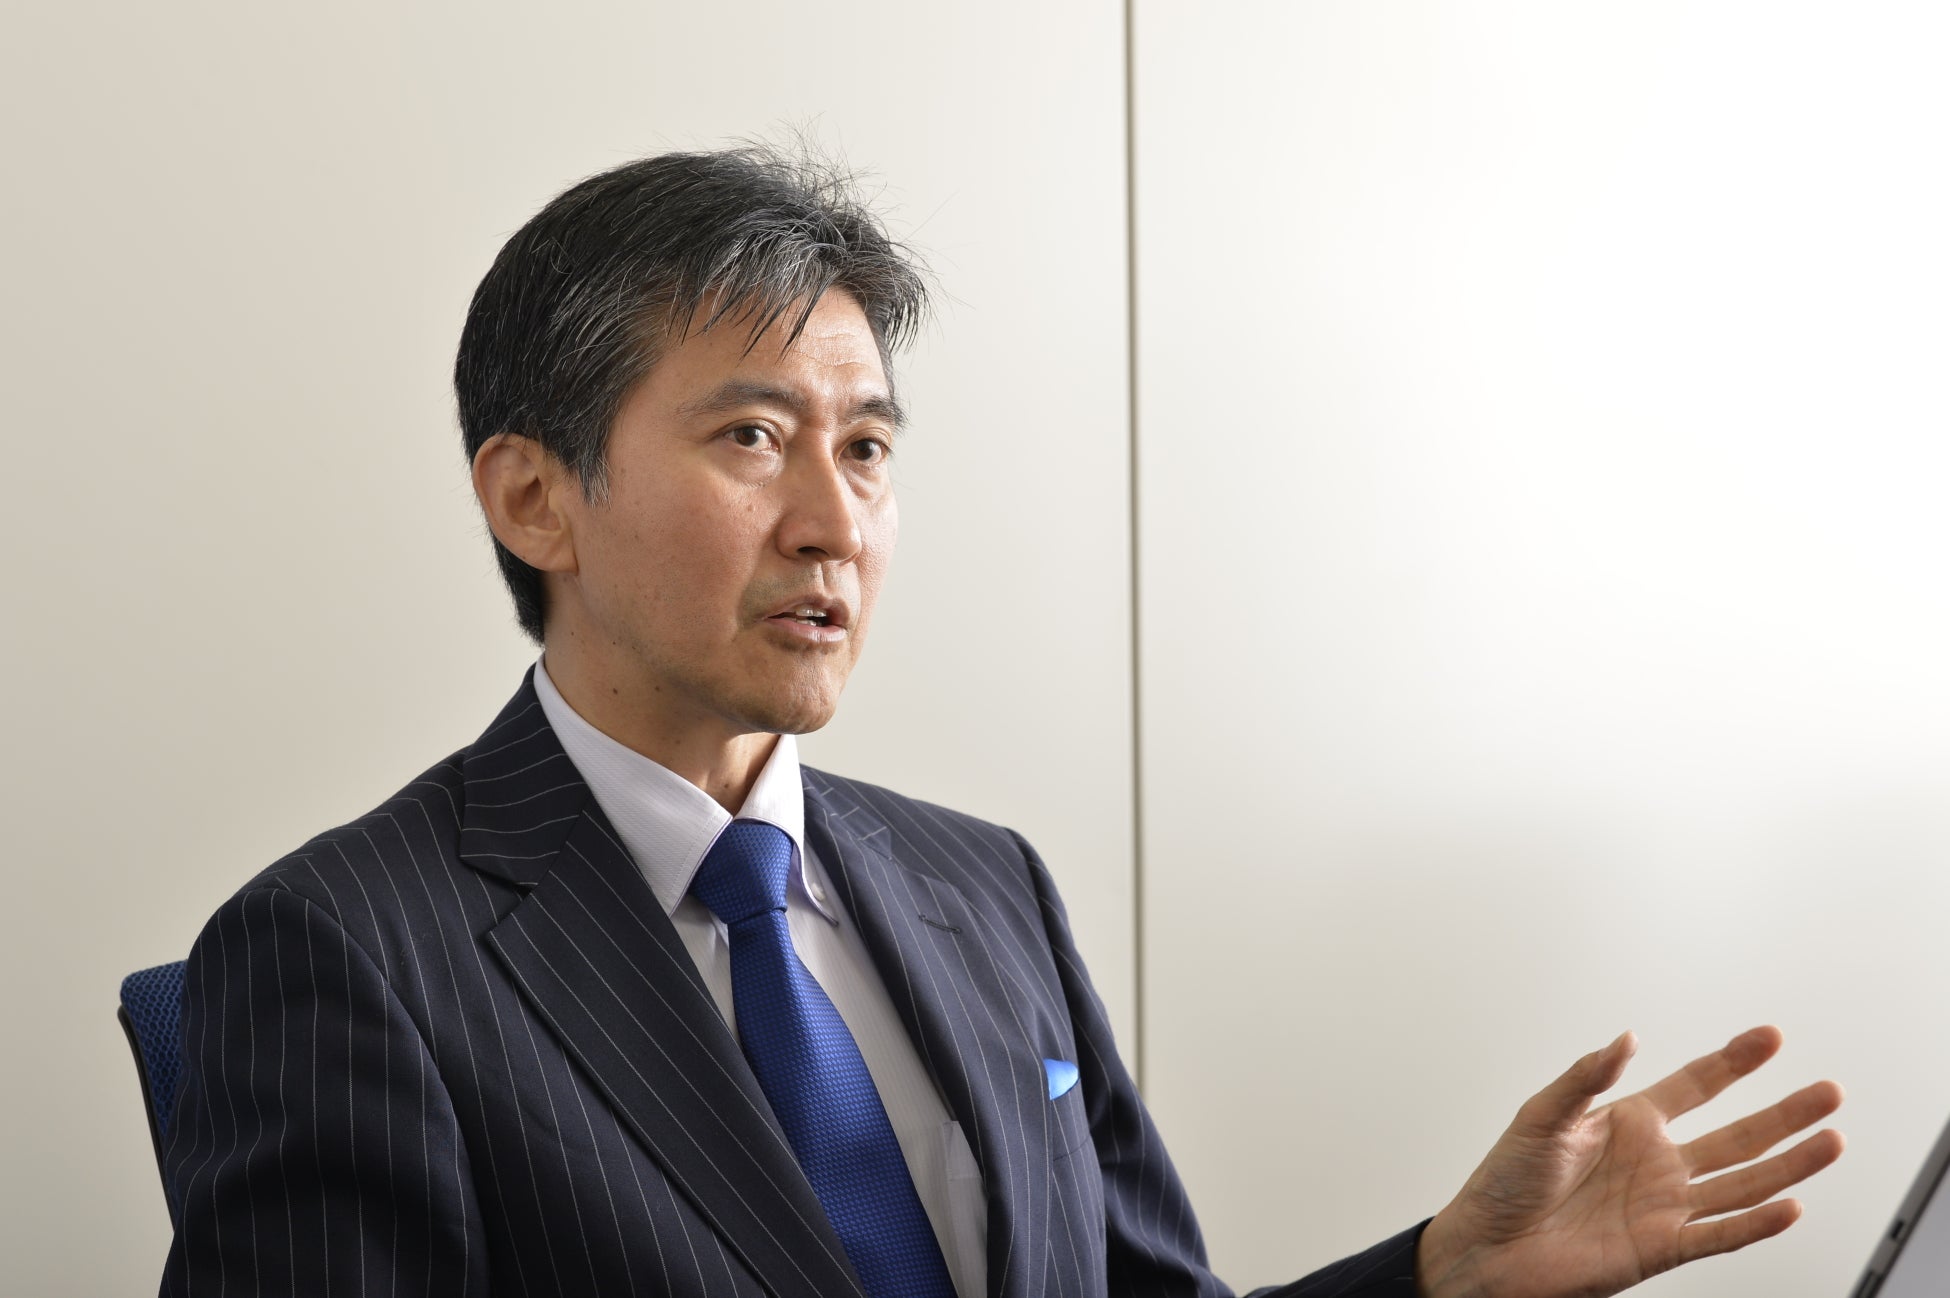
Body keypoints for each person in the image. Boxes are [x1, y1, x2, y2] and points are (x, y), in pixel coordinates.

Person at [160, 145, 1844, 1298]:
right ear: (536, 498)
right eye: (751, 438)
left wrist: (1438, 1276)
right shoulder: (342, 950)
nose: (834, 520)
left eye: (866, 448)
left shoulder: (984, 888)